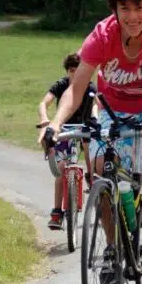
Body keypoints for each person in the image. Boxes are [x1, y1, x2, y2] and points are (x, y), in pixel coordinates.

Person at [40, 0, 142, 279]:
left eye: (139, 9)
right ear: (114, 9)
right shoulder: (102, 36)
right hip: (113, 110)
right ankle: (111, 247)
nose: (132, 16)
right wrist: (55, 124)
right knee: (102, 165)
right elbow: (77, 88)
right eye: (125, 9)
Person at [37, 53, 96, 230]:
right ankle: (57, 211)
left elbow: (95, 103)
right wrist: (44, 118)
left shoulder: (89, 86)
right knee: (62, 170)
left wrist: (94, 117)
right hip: (64, 128)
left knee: (89, 147)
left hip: (84, 127)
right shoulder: (61, 85)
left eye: (79, 71)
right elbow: (43, 103)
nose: (75, 74)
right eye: (71, 71)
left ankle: (91, 178)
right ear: (67, 71)